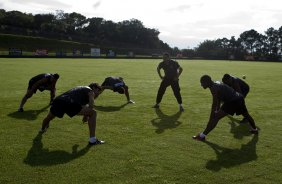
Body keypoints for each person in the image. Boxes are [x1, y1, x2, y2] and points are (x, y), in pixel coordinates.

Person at [193, 75, 258, 141]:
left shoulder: (213, 88)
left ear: (207, 82)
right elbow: (219, 98)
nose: (201, 85)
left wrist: (212, 115)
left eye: (202, 83)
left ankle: (202, 136)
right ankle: (255, 129)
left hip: (232, 101)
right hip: (239, 98)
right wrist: (217, 109)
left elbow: (214, 103)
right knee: (246, 115)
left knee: (215, 118)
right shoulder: (216, 83)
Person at [39, 83, 105, 145]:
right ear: (93, 87)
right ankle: (92, 140)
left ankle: (42, 129)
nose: (97, 95)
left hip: (58, 100)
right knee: (93, 113)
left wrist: (86, 115)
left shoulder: (82, 91)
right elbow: (91, 106)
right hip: (69, 102)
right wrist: (87, 115)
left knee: (49, 117)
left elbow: (84, 107)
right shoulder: (90, 91)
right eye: (98, 92)